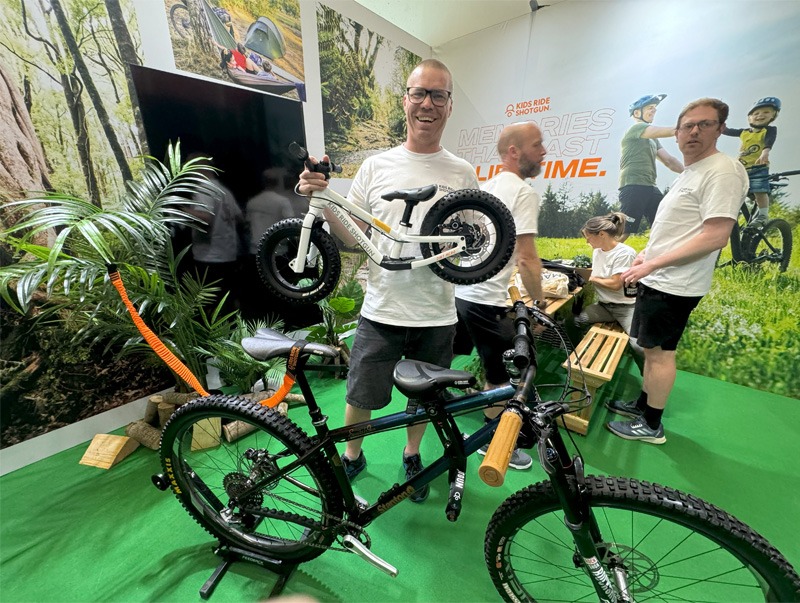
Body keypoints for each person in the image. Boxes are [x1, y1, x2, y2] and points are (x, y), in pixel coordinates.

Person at [296, 59, 478, 503]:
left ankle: (412, 453)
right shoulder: (376, 167)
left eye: (438, 95)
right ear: (405, 101)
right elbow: (351, 236)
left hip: (436, 311)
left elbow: (473, 240)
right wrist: (319, 199)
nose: (427, 104)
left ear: (450, 106)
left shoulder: (462, 173)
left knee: (426, 399)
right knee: (360, 391)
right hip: (381, 307)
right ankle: (353, 454)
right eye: (419, 93)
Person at [606, 98, 748, 444]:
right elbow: (677, 229)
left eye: (704, 124)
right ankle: (642, 404)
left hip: (675, 283)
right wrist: (645, 256)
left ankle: (651, 424)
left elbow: (715, 235)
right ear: (678, 132)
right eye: (687, 126)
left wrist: (653, 263)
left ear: (720, 129)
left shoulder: (722, 170)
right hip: (658, 276)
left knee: (659, 353)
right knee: (649, 349)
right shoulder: (692, 172)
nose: (693, 132)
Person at [454, 121, 548, 472]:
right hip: (485, 298)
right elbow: (526, 256)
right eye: (537, 145)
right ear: (514, 152)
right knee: (499, 375)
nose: (543, 151)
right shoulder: (523, 192)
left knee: (459, 354)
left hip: (462, 291)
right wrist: (538, 304)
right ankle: (492, 441)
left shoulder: (488, 186)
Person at [575, 212, 644, 369]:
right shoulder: (597, 252)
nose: (587, 241)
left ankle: (648, 384)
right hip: (604, 306)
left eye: (588, 236)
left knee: (639, 347)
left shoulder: (625, 253)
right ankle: (579, 359)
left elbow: (615, 284)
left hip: (627, 308)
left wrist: (592, 279)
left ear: (601, 234)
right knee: (576, 321)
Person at [183, 153, 244, 315]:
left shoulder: (204, 187)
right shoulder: (224, 190)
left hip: (210, 256)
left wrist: (182, 210)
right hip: (229, 253)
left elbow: (205, 218)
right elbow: (239, 218)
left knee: (211, 304)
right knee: (228, 299)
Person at [618, 94, 684, 241]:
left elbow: (669, 160)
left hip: (649, 186)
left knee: (663, 224)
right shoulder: (636, 128)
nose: (654, 111)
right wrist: (684, 128)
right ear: (636, 113)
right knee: (624, 231)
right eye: (650, 108)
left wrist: (689, 173)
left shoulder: (653, 138)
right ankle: (601, 258)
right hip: (633, 184)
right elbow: (662, 131)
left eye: (655, 109)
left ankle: (658, 260)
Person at [722, 97, 781, 225]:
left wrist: (765, 152)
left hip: (758, 167)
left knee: (759, 189)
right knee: (732, 191)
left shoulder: (769, 130)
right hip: (741, 168)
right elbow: (726, 131)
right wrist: (718, 123)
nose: (760, 115)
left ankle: (763, 216)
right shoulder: (744, 132)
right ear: (749, 118)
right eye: (756, 113)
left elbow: (769, 140)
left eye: (766, 112)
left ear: (773, 115)